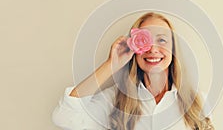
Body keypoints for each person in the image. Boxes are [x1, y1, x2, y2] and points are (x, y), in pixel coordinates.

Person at [52, 12, 214, 130]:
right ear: (134, 48)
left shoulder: (197, 101)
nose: (153, 49)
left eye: (162, 40)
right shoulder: (115, 100)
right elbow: (64, 116)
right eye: (145, 40)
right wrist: (111, 64)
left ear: (173, 49)